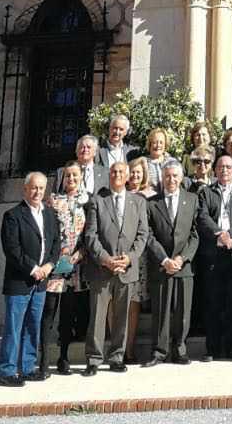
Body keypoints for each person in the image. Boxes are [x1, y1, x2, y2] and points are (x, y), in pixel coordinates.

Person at [82, 159, 148, 375]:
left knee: (122, 316)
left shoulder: (138, 202)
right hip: (102, 269)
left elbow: (142, 234)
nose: (117, 175)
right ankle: (93, 359)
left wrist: (129, 258)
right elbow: (90, 235)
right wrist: (105, 259)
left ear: (128, 175)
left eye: (121, 171)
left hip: (126, 269)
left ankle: (117, 357)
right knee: (98, 316)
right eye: (113, 171)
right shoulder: (97, 201)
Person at [0, 172, 60, 387]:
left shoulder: (50, 215)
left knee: (33, 326)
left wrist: (49, 266)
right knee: (14, 328)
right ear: (25, 189)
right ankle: (7, 371)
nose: (37, 192)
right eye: (34, 188)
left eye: (41, 188)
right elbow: (12, 250)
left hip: (41, 281)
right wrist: (34, 269)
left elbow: (55, 244)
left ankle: (27, 367)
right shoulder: (13, 215)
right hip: (19, 281)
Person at [143, 158, 197, 367]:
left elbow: (194, 234)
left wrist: (182, 258)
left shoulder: (191, 199)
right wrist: (164, 259)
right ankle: (159, 351)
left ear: (181, 177)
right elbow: (148, 234)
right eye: (167, 176)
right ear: (162, 178)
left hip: (184, 265)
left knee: (183, 312)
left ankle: (180, 349)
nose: (171, 179)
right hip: (161, 265)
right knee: (161, 310)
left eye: (175, 175)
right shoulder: (152, 203)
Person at [195, 152, 232, 361]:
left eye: (228, 167)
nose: (224, 170)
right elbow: (203, 216)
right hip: (213, 253)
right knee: (213, 302)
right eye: (220, 167)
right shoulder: (205, 192)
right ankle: (212, 348)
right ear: (215, 170)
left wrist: (230, 235)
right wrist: (219, 233)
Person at [40, 161, 88, 376]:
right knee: (49, 311)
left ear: (81, 178)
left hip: (76, 266)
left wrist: (81, 253)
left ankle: (64, 357)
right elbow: (47, 232)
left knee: (69, 313)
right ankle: (43, 360)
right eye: (68, 176)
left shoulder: (87, 201)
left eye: (75, 176)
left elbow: (91, 232)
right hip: (56, 264)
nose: (71, 179)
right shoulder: (53, 201)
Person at [123, 155, 156, 362]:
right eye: (132, 172)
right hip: (119, 255)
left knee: (134, 301)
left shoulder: (150, 197)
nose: (135, 176)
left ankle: (129, 348)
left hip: (140, 255)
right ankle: (118, 346)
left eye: (138, 172)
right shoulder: (119, 194)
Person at [54, 134, 101, 203]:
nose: (85, 150)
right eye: (82, 147)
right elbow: (54, 196)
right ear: (76, 151)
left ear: (95, 152)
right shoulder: (62, 172)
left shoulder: (105, 173)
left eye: (88, 147)